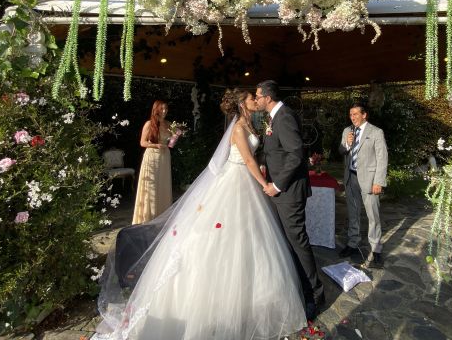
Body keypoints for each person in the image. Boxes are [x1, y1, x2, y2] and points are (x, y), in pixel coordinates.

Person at [95, 89, 307, 340]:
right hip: (236, 182)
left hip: (245, 182)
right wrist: (265, 184)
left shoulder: (250, 125)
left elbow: (254, 158)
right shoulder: (238, 128)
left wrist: (261, 169)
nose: (254, 100)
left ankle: (251, 299)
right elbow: (247, 161)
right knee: (225, 239)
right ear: (242, 104)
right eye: (251, 98)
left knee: (251, 238)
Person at [255, 80, 325, 321]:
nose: (256, 100)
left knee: (298, 242)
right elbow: (279, 150)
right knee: (288, 241)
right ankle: (299, 285)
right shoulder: (275, 117)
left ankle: (315, 295)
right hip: (282, 191)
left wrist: (277, 184)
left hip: (289, 192)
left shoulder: (284, 116)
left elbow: (296, 154)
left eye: (258, 96)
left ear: (268, 97)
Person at [338, 102, 388, 267]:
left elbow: (382, 158)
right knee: (353, 213)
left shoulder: (376, 132)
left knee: (373, 215)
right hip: (351, 177)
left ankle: (376, 249)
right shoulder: (347, 131)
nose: (352, 117)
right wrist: (347, 143)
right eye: (350, 115)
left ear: (364, 114)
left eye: (355, 114)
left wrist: (379, 181)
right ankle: (353, 243)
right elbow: (341, 151)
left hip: (369, 180)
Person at [132, 100, 173, 224]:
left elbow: (171, 144)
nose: (164, 111)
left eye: (166, 108)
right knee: (152, 186)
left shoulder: (169, 124)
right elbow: (142, 142)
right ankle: (148, 216)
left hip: (165, 157)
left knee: (163, 185)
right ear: (156, 110)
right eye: (162, 109)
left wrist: (176, 136)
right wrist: (156, 145)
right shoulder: (149, 124)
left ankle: (162, 215)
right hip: (152, 158)